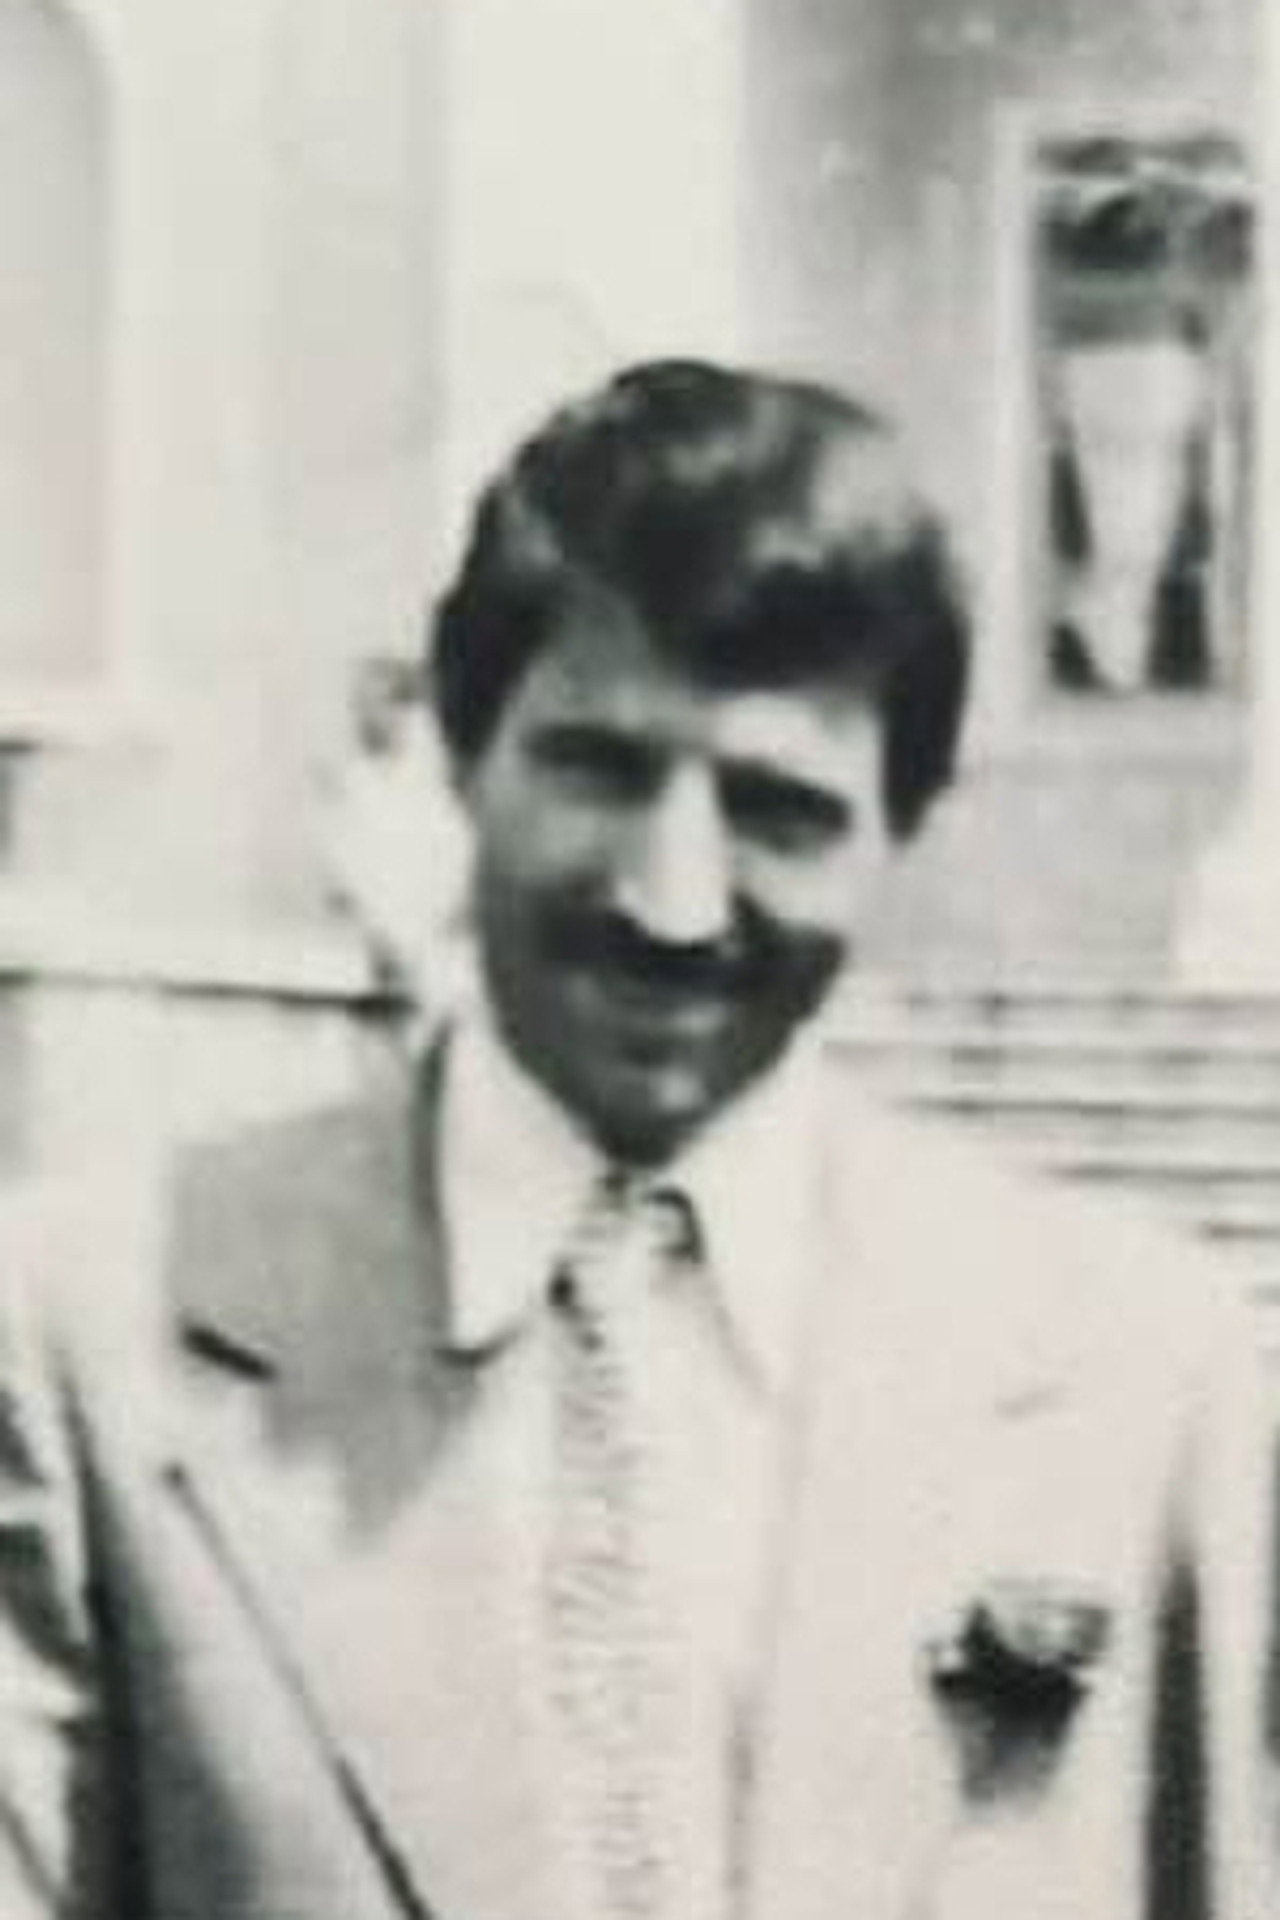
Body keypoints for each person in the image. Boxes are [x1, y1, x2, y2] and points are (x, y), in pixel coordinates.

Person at [0, 359, 1272, 1920]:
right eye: (598, 771)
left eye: (779, 810)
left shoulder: (1141, 1382)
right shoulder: (94, 1343)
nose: (675, 901)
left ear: (901, 828)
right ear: (461, 751)